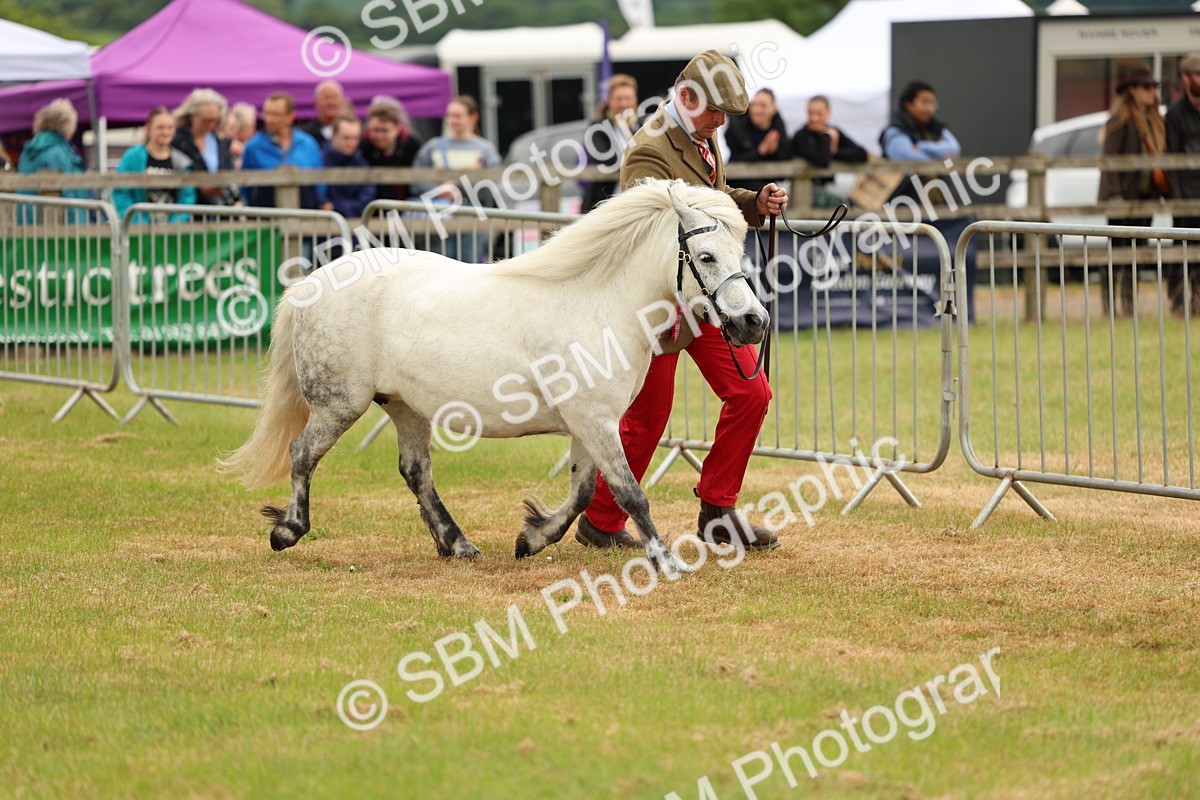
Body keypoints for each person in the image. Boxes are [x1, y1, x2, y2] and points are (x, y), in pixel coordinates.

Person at [574, 50, 787, 552]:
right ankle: (600, 521)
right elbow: (655, 231)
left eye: (725, 116)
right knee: (648, 419)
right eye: (715, 111)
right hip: (661, 304)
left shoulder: (702, 134)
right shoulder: (648, 150)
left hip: (703, 296)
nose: (720, 123)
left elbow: (710, 200)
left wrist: (754, 203)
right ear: (686, 97)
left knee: (752, 393)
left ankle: (718, 510)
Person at [1099, 66, 1168, 317]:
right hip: (1122, 197)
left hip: (1144, 197)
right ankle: (1109, 307)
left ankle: (1129, 306)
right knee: (1116, 253)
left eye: (1154, 87)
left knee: (1137, 253)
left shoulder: (1155, 121)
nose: (1152, 92)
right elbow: (1110, 162)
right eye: (1147, 87)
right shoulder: (1119, 122)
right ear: (1133, 91)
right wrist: (1116, 195)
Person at [411, 95, 502, 262]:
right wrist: (441, 191)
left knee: (469, 263)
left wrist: (457, 189)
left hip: (472, 214)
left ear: (473, 117)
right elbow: (417, 179)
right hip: (438, 214)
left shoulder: (485, 149)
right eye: (449, 115)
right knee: (438, 262)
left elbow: (491, 186)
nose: (452, 120)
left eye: (457, 115)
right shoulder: (433, 147)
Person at [241, 91, 330, 210]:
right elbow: (245, 189)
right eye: (267, 113)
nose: (269, 119)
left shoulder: (308, 144)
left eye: (275, 114)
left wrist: (322, 201)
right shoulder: (252, 147)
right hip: (267, 219)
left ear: (290, 116)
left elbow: (320, 180)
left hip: (306, 217)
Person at [880, 80, 961, 205]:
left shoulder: (936, 128)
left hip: (940, 203)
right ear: (908, 104)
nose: (930, 108)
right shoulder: (895, 131)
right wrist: (939, 155)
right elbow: (906, 157)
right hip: (906, 206)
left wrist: (921, 146)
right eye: (924, 102)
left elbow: (954, 149)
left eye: (933, 103)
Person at [112, 106, 197, 223]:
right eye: (160, 127)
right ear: (148, 129)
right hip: (138, 229)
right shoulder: (132, 157)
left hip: (172, 232)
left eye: (170, 127)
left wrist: (174, 225)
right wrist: (137, 222)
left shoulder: (182, 161)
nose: (165, 132)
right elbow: (121, 192)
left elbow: (187, 197)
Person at [16, 98, 90, 222]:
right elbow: (69, 192)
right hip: (54, 227)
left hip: (26, 223)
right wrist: (79, 224)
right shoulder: (57, 153)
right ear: (67, 124)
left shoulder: (28, 151)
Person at [1166, 53, 1200, 316]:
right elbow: (1172, 156)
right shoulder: (1176, 113)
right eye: (1197, 75)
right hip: (1185, 193)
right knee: (1181, 249)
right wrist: (1176, 198)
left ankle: (1198, 300)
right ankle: (1177, 300)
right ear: (1186, 78)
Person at [792, 95, 868, 204]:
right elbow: (822, 160)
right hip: (806, 193)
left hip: (829, 188)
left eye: (819, 114)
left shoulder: (834, 132)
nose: (814, 118)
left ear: (828, 113)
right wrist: (827, 139)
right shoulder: (801, 136)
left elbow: (861, 154)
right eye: (810, 113)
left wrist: (835, 150)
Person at [580, 74, 640, 213]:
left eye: (628, 98)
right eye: (618, 98)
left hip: (635, 202)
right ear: (609, 101)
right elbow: (605, 158)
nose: (624, 104)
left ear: (635, 100)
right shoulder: (597, 128)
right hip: (604, 202)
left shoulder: (643, 125)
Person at [172, 88, 236, 205]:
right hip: (189, 207)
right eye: (205, 120)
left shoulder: (219, 141)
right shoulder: (176, 141)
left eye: (214, 120)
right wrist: (198, 185)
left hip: (218, 207)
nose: (210, 125)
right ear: (192, 116)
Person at [724, 87, 792, 194]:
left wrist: (774, 151)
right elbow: (734, 159)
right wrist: (760, 151)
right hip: (737, 186)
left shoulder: (777, 126)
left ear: (774, 109)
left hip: (766, 186)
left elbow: (786, 156)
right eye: (754, 105)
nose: (757, 110)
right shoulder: (737, 123)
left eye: (763, 106)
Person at [360, 98, 423, 202]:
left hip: (407, 205)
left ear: (397, 129)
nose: (379, 136)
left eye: (384, 131)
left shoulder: (412, 146)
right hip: (373, 206)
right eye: (375, 130)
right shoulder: (364, 146)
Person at [323, 115, 376, 218]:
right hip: (326, 227)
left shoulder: (361, 163)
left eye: (356, 138)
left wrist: (336, 207)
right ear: (333, 135)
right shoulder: (321, 161)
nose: (351, 143)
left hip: (355, 224)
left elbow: (367, 198)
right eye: (346, 138)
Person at [299, 80, 350, 145]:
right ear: (316, 103)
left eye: (335, 97)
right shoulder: (306, 134)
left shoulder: (352, 132)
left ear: (342, 102)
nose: (331, 102)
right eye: (326, 98)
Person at [223, 102, 257, 169]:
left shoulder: (246, 146)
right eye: (251, 127)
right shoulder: (229, 148)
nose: (254, 131)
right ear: (239, 128)